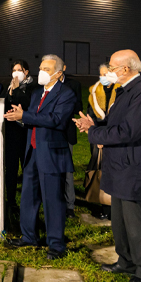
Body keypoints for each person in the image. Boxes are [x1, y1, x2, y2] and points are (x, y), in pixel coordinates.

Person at [73, 49, 141, 282]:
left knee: (136, 223)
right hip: (120, 164)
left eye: (112, 67)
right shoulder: (125, 91)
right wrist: (95, 125)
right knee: (120, 221)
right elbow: (118, 124)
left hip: (133, 166)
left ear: (125, 69)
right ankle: (126, 261)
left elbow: (129, 131)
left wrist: (95, 133)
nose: (108, 71)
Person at [4, 55, 77, 260]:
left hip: (51, 154)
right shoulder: (37, 93)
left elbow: (56, 120)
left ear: (58, 73)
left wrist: (25, 116)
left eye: (47, 69)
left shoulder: (66, 94)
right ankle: (29, 236)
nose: (42, 71)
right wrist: (20, 117)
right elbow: (33, 119)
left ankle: (56, 245)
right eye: (41, 67)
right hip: (33, 152)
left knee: (52, 200)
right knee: (28, 196)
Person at [3, 59, 38, 229]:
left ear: (26, 72)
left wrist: (16, 90)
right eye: (14, 70)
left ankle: (28, 201)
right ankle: (11, 201)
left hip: (25, 134)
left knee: (27, 169)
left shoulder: (33, 87)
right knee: (10, 169)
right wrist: (11, 91)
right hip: (11, 135)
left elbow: (28, 104)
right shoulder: (8, 87)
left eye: (19, 70)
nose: (16, 73)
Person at [84, 63, 119, 220]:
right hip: (98, 136)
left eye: (106, 73)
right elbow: (90, 115)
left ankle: (116, 207)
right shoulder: (93, 91)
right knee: (101, 171)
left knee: (115, 173)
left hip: (115, 137)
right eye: (101, 74)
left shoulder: (121, 90)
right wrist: (98, 137)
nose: (103, 77)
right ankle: (105, 207)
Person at [59, 61, 83, 219]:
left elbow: (78, 106)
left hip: (67, 132)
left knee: (67, 170)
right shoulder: (44, 86)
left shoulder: (73, 85)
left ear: (63, 68)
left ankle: (69, 206)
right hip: (50, 133)